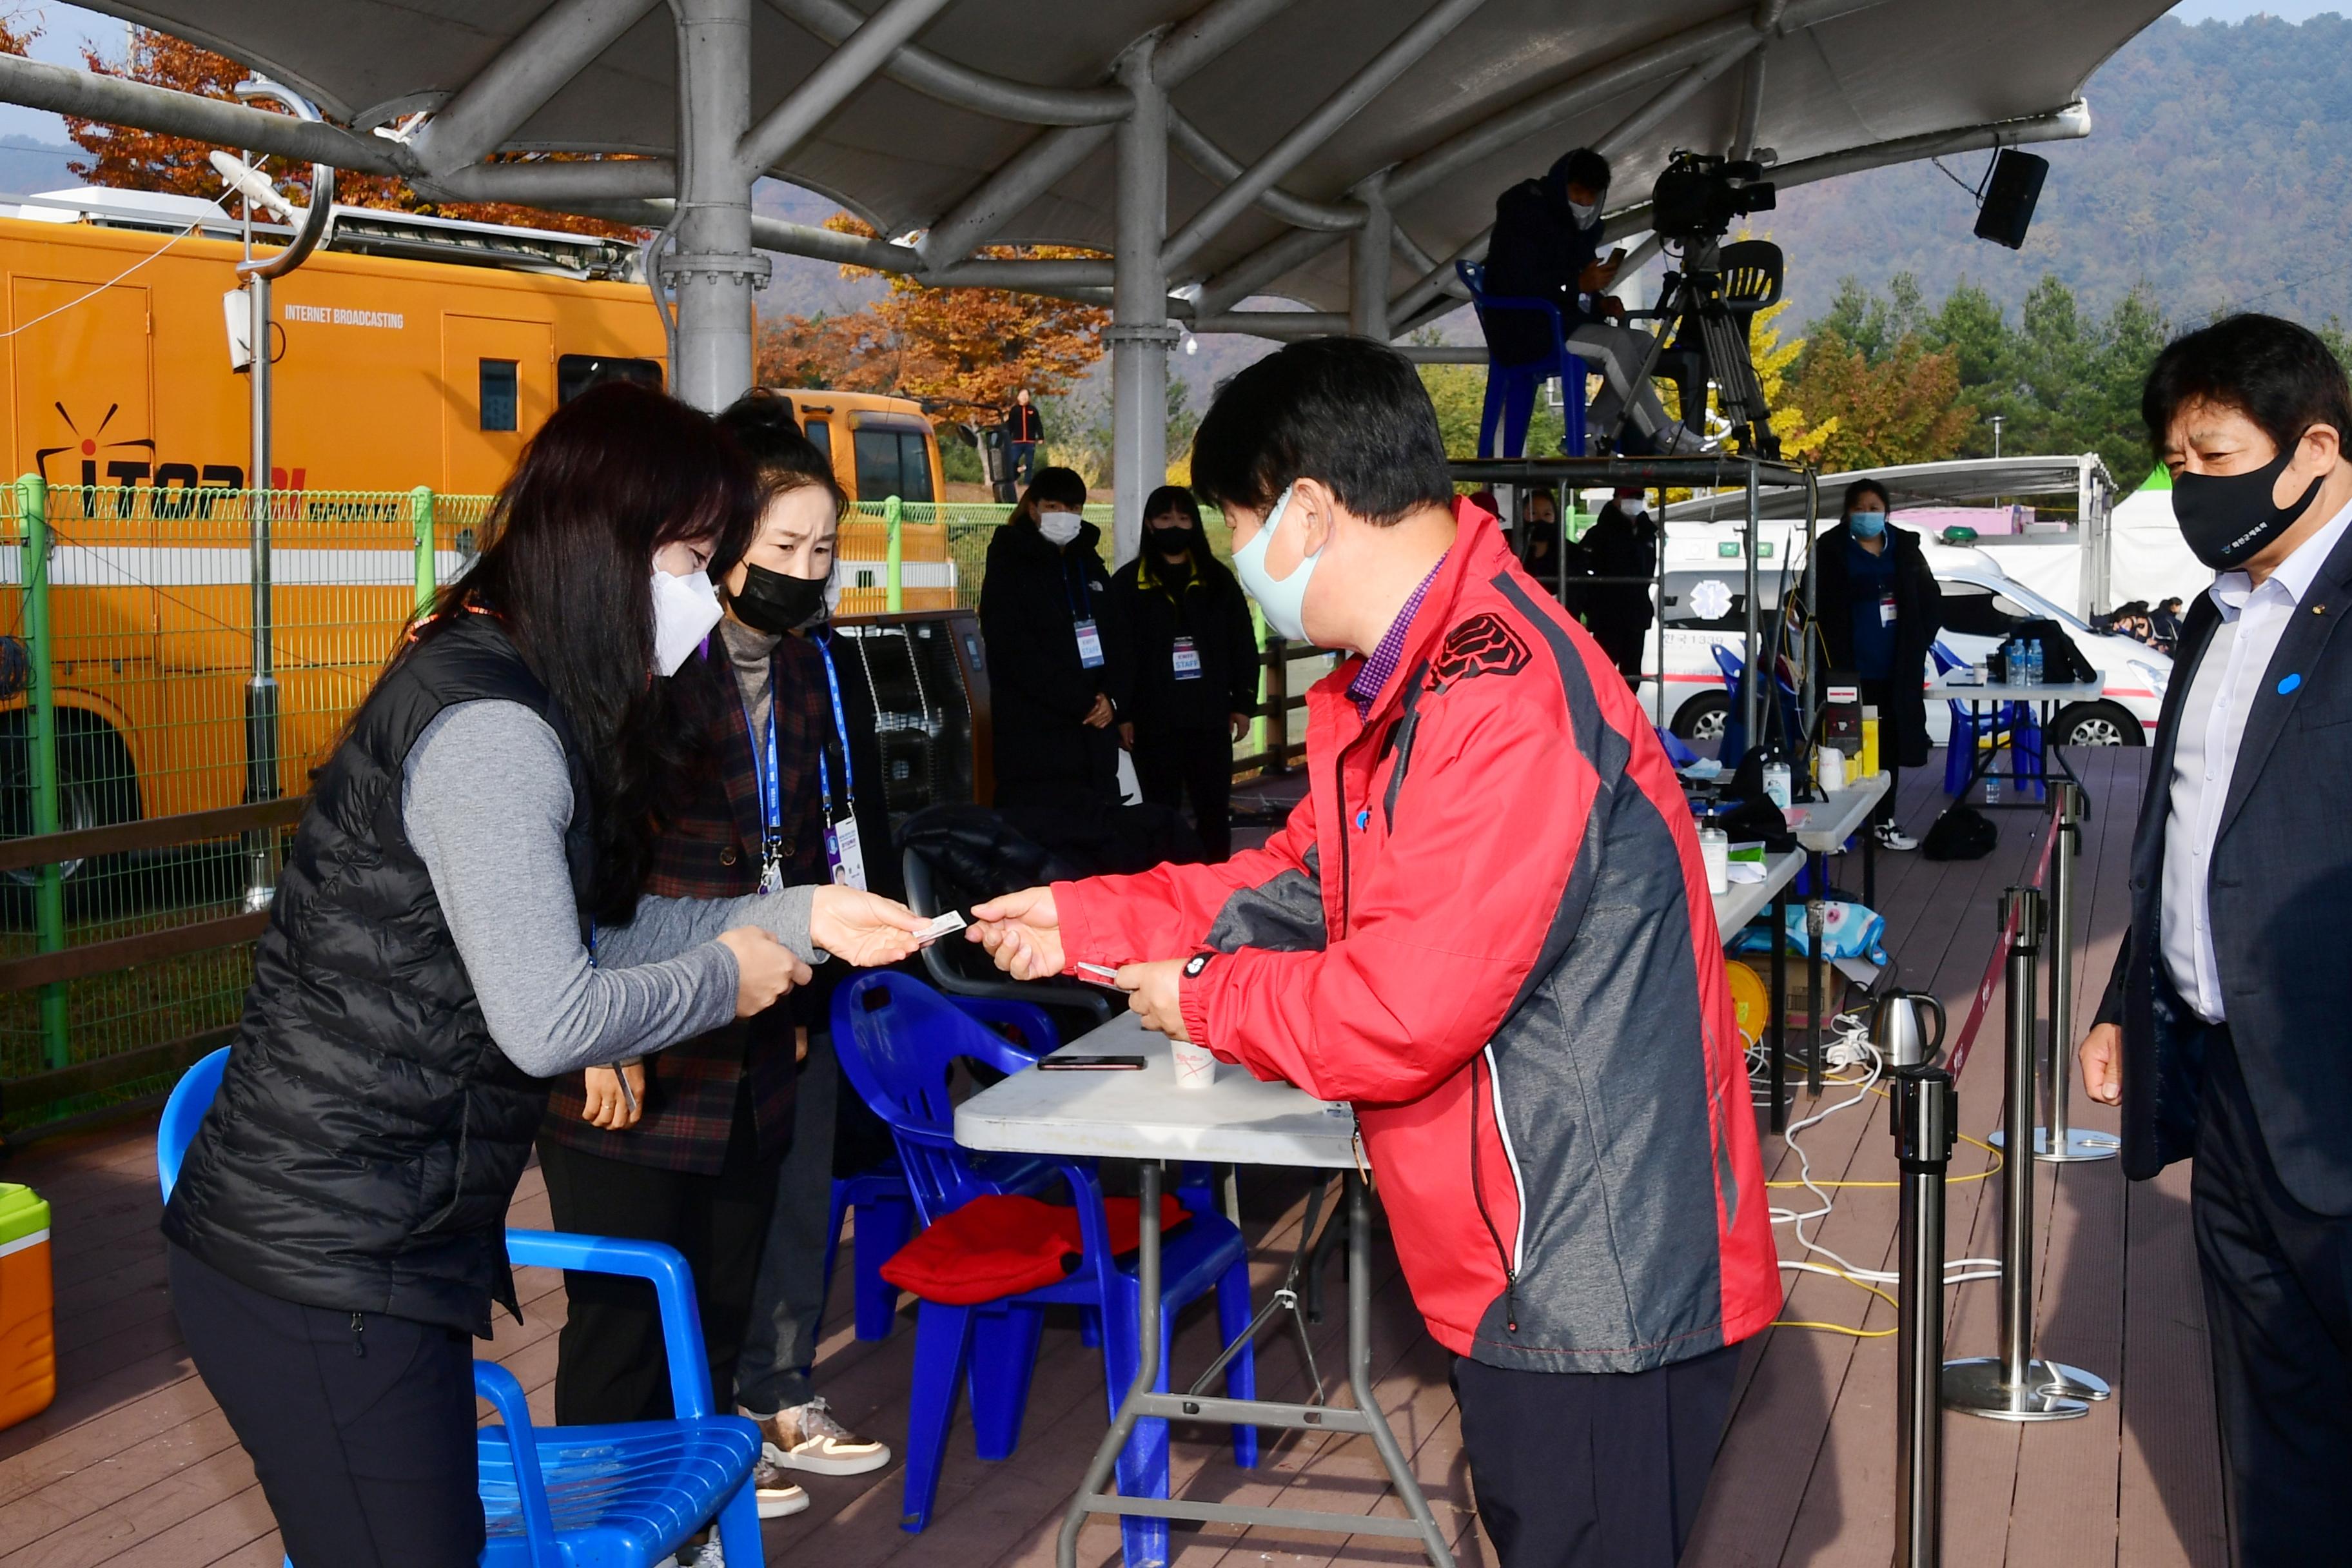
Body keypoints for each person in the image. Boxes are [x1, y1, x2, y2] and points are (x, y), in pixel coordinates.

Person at [968, 338, 1778, 1568]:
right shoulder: (1408, 680)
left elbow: (1402, 1008)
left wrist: (1196, 998)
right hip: (1522, 1249)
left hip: (1586, 1271)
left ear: (1305, 507)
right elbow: (1295, 881)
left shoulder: (1494, 697)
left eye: (1239, 521)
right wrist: (1086, 919)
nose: (1240, 558)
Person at [157, 382, 931, 1568]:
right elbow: (548, 1014)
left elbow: (577, 948)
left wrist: (800, 912)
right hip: (322, 1263)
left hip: (379, 1244)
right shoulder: (494, 730)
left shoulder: (519, 690)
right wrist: (726, 976)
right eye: (689, 556)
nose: (701, 588)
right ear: (606, 549)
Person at [532, 390, 891, 1534]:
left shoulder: (798, 669)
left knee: (723, 1296)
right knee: (626, 1319)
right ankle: (600, 1519)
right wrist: (604, 1035)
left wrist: (796, 979)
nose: (803, 567)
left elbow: (799, 838)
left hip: (753, 1022)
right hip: (629, 1033)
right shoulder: (633, 667)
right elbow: (593, 876)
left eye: (821, 548)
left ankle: (699, 1497)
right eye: (777, 544)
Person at [2078, 313, 2352, 1568]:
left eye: (2213, 455)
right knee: (2276, 1399)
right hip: (2226, 1079)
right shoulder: (2217, 613)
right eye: (2174, 463)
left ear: (2316, 452)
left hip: (2335, 1090)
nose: (2189, 484)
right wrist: (2130, 1000)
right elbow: (2185, 835)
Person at [1483, 146, 1707, 456]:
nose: (1584, 204)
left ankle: (1591, 427)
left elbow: (1572, 281)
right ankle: (1664, 434)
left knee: (1643, 343)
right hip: (1526, 329)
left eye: (1592, 196)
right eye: (1577, 193)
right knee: (1615, 343)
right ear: (1561, 186)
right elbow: (1515, 282)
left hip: (1564, 323)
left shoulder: (1577, 229)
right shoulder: (1524, 214)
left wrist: (1599, 301)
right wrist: (1576, 285)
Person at [1110, 485, 1258, 859]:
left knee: (1213, 812)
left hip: (1209, 719)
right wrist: (1122, 713)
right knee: (1160, 815)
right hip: (1152, 722)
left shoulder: (1217, 580)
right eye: (1165, 518)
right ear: (1149, 524)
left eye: (1183, 518)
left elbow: (1242, 643)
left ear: (1195, 524)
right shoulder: (1127, 584)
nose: (1174, 525)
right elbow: (1117, 653)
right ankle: (1165, 890)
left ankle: (1217, 887)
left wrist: (1242, 703)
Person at [979, 467, 1130, 810]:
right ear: (1033, 508)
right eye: (1054, 507)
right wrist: (1081, 701)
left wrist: (1112, 698)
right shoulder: (1009, 563)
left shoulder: (1088, 561)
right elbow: (1013, 651)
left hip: (1095, 743)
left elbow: (1118, 637)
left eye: (1074, 509)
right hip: (1035, 747)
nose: (1065, 517)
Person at [1812, 478, 1941, 850]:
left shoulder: (1905, 549)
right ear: (1847, 512)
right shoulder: (1830, 550)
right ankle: (1840, 825)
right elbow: (1812, 604)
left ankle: (1884, 821)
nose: (1867, 515)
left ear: (1886, 512)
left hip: (1895, 669)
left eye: (1874, 508)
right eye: (1859, 508)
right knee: (1841, 747)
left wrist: (1918, 643)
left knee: (1889, 747)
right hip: (1846, 669)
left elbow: (1930, 601)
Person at [1578, 485, 1659, 685]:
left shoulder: (1647, 533)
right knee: (1601, 675)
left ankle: (1626, 713)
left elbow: (1648, 572)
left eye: (1639, 496)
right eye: (1629, 496)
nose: (1635, 501)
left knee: (1632, 677)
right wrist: (1593, 606)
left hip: (1636, 615)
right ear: (1616, 499)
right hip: (1607, 615)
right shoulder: (1598, 534)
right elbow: (1582, 572)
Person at [1003, 387, 1044, 487]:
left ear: (1029, 397)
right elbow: (1010, 425)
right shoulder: (1014, 410)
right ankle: (1014, 477)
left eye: (1026, 395)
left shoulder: (1033, 410)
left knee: (1030, 463)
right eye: (1022, 395)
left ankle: (1027, 484)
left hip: (1030, 442)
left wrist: (1041, 437)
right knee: (1012, 461)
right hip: (1017, 442)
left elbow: (1038, 424)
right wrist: (1006, 437)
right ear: (1018, 397)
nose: (1024, 397)